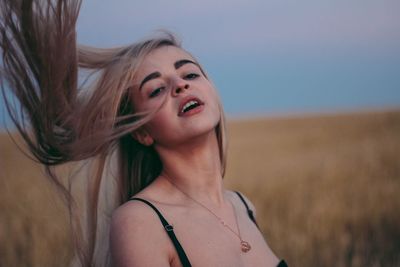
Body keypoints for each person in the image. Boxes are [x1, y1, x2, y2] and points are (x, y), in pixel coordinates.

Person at [0, 0, 287, 266]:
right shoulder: (140, 223)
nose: (180, 85)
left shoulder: (243, 205)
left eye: (189, 74)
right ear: (142, 133)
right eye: (156, 89)